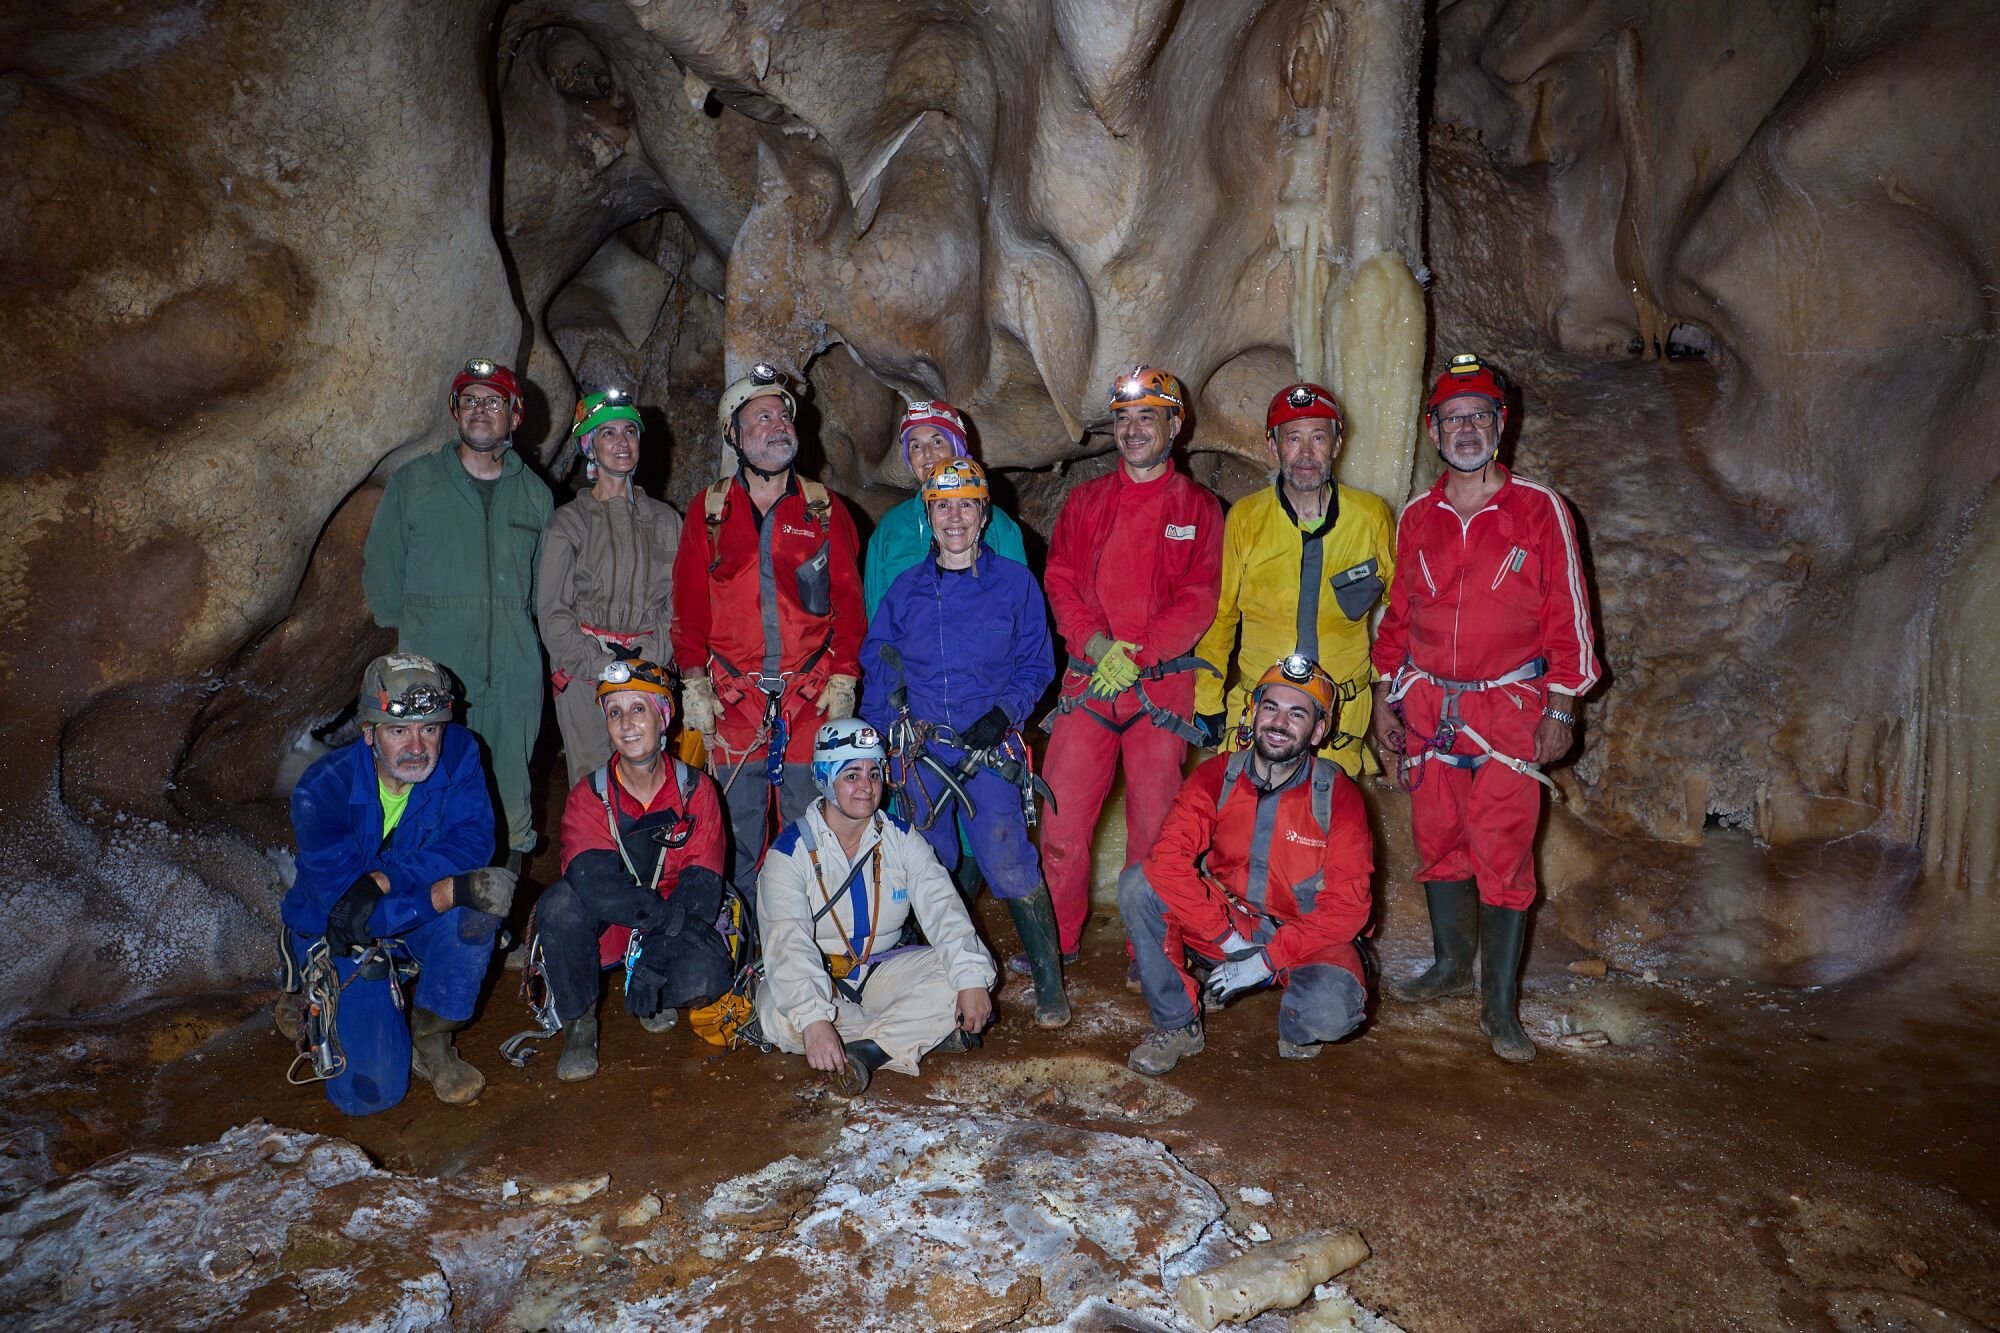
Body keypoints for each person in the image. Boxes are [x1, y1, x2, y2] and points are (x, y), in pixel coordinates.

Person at [1371, 353, 1601, 1063]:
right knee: (1439, 841)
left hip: (1509, 710)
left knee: (1503, 853)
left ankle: (1499, 1007)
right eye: (1451, 418)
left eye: (1478, 416)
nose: (1465, 429)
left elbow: (1571, 615)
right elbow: (1399, 614)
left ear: (1501, 425)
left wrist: (1562, 705)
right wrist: (1384, 693)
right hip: (1430, 705)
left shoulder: (1540, 509)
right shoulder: (1418, 516)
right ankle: (1447, 968)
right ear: (1433, 430)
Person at [860, 457, 1068, 1028]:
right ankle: (941, 974)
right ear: (930, 515)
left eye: (967, 505)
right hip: (922, 747)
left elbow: (1037, 662)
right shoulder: (906, 591)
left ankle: (1050, 980)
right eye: (943, 506)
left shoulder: (1014, 584)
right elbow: (880, 664)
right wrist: (878, 743)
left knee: (1007, 860)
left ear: (984, 515)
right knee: (931, 863)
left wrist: (1005, 714)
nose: (955, 517)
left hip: (987, 747)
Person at [1038, 365, 1223, 963]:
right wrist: (1096, 647)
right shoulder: (1086, 501)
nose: (1133, 429)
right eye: (1123, 419)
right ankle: (1060, 943)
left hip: (1159, 696)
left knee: (1152, 835)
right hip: (1088, 688)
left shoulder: (1198, 508)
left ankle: (1153, 952)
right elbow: (1061, 579)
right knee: (1062, 830)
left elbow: (1202, 593)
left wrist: (1139, 654)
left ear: (1176, 423)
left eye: (1147, 417)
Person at [279, 654, 516, 1114]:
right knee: (368, 1096)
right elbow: (350, 914)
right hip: (342, 929)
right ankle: (304, 975)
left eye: (430, 729)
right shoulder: (321, 792)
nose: (418, 746)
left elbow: (471, 842)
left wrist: (387, 879)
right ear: (369, 733)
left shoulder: (462, 752)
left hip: (400, 909)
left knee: (476, 912)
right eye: (398, 730)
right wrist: (441, 893)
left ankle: (432, 1039)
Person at [1118, 656, 1374, 1075]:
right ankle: (1178, 1024)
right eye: (1271, 707)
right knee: (1138, 885)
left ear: (1318, 731)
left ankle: (1297, 1024)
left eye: (1297, 714)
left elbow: (1348, 909)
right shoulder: (1217, 777)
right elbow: (1166, 861)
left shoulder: (1336, 797)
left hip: (1303, 935)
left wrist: (1264, 961)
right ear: (1253, 713)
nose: (1279, 722)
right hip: (1228, 923)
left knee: (1328, 1011)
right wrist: (1230, 941)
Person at [671, 362, 866, 906]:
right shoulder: (710, 512)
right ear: (733, 434)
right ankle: (743, 952)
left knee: (813, 829)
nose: (777, 425)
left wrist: (845, 677)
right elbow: (688, 608)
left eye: (783, 415)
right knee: (736, 835)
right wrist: (693, 684)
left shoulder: (824, 510)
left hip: (811, 698)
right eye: (760, 417)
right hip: (733, 702)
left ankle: (812, 948)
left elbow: (850, 607)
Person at [363, 357, 554, 863]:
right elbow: (383, 569)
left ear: (515, 416)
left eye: (493, 401)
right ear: (455, 412)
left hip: (513, 662)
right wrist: (414, 642)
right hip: (436, 661)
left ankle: (498, 900)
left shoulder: (535, 495)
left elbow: (545, 587)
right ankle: (421, 899)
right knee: (430, 775)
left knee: (511, 781)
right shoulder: (415, 483)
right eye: (470, 400)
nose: (480, 410)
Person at [754, 719, 997, 1096]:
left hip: (881, 972)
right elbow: (787, 943)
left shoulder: (901, 837)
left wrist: (968, 979)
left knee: (975, 973)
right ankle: (915, 1032)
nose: (866, 786)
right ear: (824, 779)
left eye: (873, 773)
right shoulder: (790, 853)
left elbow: (943, 906)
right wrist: (815, 1019)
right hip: (820, 979)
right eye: (851, 775)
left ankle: (868, 1051)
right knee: (781, 1016)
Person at [534, 658, 731, 1082]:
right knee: (562, 905)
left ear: (664, 717)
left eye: (639, 709)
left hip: (669, 921)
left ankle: (649, 989)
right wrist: (664, 923)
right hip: (616, 924)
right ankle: (579, 1024)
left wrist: (654, 963)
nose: (627, 724)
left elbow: (701, 887)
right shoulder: (590, 794)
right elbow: (595, 883)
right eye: (615, 713)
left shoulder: (696, 790)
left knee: (708, 975)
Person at [1195, 383, 1396, 776]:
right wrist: (1207, 701)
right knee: (1244, 828)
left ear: (1336, 445)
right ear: (1273, 446)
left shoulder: (1370, 517)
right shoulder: (1246, 519)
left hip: (1339, 719)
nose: (1306, 454)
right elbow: (1222, 616)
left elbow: (1399, 611)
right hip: (1261, 714)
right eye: (1293, 439)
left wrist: (1388, 696)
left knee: (1324, 829)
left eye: (1318, 438)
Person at [537, 388, 685, 787]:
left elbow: (679, 603)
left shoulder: (667, 521)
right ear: (589, 446)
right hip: (584, 676)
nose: (622, 442)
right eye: (608, 434)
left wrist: (650, 659)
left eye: (630, 432)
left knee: (649, 787)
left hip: (649, 670)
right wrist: (599, 664)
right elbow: (553, 611)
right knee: (593, 788)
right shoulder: (567, 523)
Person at [861, 399, 1027, 613]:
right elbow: (876, 611)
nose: (927, 453)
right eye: (916, 446)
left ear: (957, 448)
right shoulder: (891, 529)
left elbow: (1023, 609)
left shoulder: (997, 525)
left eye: (937, 442)